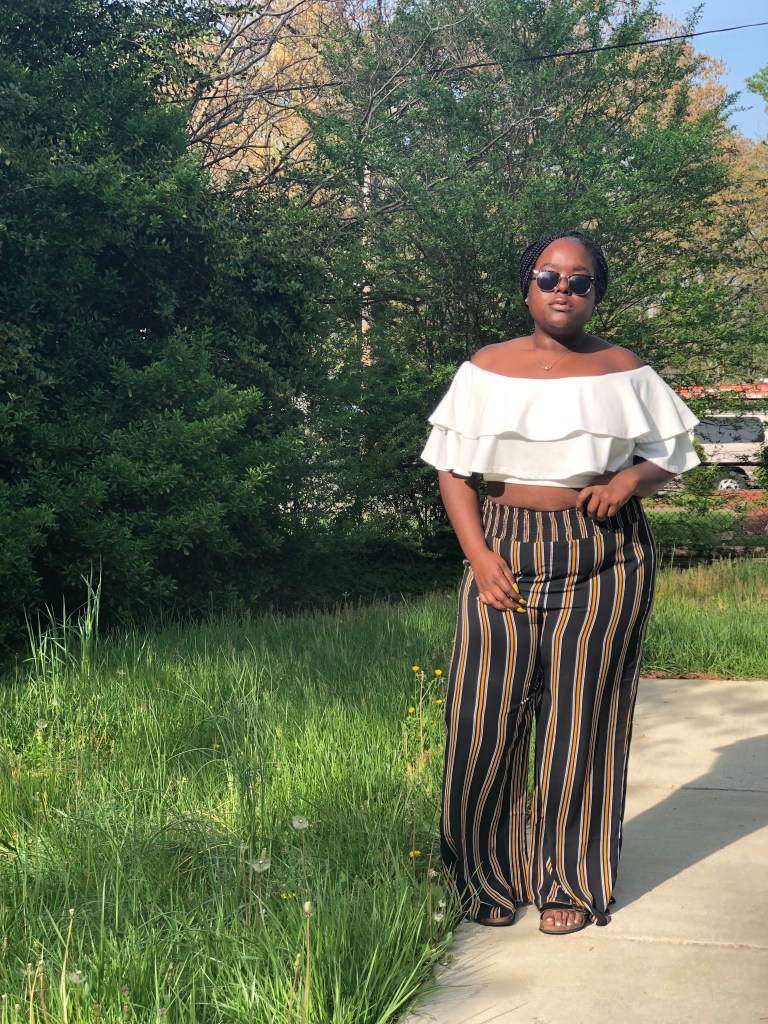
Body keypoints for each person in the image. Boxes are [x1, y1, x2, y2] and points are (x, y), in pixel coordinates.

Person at [420, 230, 699, 934]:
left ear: (597, 293)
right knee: (482, 719)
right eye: (549, 277)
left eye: (580, 281)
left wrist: (629, 480)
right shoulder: (485, 369)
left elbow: (671, 451)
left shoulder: (624, 370)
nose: (564, 290)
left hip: (605, 557)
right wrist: (478, 555)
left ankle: (568, 880)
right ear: (527, 286)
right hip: (502, 551)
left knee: (583, 723)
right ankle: (483, 874)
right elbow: (452, 469)